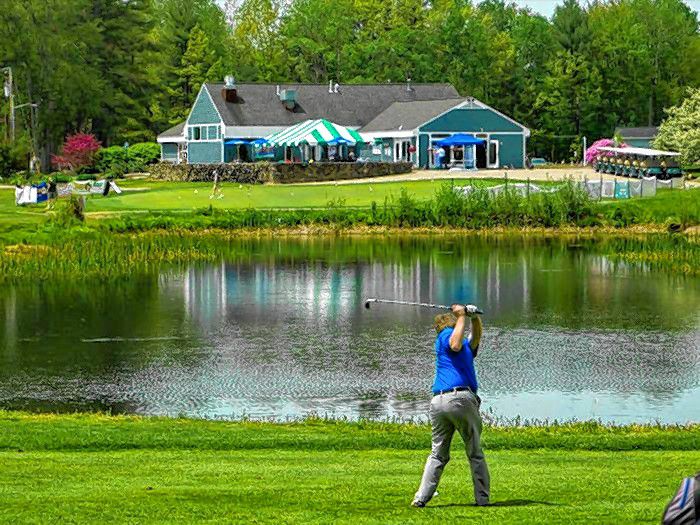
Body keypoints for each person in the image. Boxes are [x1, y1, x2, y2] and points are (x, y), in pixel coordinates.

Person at [412, 304, 490, 508]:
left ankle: (421, 498)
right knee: (474, 452)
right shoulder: (446, 336)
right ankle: (482, 499)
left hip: (439, 402)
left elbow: (475, 341)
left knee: (438, 453)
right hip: (460, 399)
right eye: (457, 321)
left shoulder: (464, 345)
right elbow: (455, 344)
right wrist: (463, 315)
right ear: (452, 323)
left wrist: (474, 317)